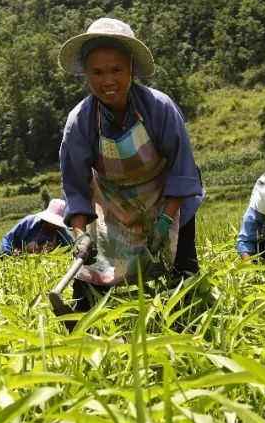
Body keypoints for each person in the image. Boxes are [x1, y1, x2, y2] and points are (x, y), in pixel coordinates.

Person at [58, 17, 204, 321]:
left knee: (183, 271)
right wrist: (79, 235)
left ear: (131, 70)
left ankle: (191, 324)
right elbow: (76, 186)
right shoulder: (80, 121)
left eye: (116, 70)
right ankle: (80, 330)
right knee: (90, 274)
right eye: (97, 72)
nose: (107, 80)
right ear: (86, 74)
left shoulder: (159, 108)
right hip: (111, 202)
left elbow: (181, 168)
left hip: (165, 197)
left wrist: (166, 217)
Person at [0, 198, 72, 259]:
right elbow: (8, 238)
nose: (55, 226)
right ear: (46, 220)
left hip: (42, 262)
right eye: (53, 223)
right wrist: (10, 252)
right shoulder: (29, 222)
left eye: (57, 224)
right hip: (19, 258)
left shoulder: (62, 232)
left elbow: (72, 248)